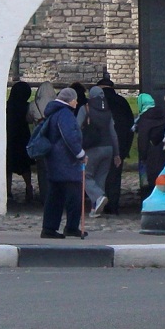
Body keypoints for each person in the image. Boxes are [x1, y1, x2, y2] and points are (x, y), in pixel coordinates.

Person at [40, 87, 88, 239]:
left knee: (56, 195)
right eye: (75, 99)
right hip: (67, 162)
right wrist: (80, 154)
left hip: (55, 160)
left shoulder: (54, 112)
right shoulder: (65, 114)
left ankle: (49, 227)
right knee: (75, 194)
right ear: (70, 100)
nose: (77, 102)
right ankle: (72, 227)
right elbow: (69, 136)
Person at [77, 86, 120, 218]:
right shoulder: (107, 111)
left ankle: (98, 197)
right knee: (100, 178)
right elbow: (113, 133)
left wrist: (77, 148)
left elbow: (77, 128)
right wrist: (117, 154)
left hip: (92, 148)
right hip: (108, 149)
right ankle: (95, 208)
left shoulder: (85, 108)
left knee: (84, 176)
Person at [95, 77, 134, 214]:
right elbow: (130, 124)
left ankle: (99, 202)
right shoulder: (122, 102)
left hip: (98, 145)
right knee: (114, 176)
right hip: (119, 145)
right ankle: (113, 204)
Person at [134, 94, 165, 199]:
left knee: (149, 180)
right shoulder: (164, 113)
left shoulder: (144, 119)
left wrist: (142, 157)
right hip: (164, 149)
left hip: (150, 152)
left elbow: (143, 139)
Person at [5, 81, 34, 205]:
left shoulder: (7, 106)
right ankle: (29, 187)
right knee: (24, 165)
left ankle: (8, 191)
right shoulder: (26, 106)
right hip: (23, 136)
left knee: (8, 165)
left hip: (10, 136)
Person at [30, 81, 55, 205]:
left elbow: (28, 119)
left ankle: (45, 197)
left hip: (40, 138)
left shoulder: (34, 105)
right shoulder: (57, 104)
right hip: (54, 139)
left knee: (42, 170)